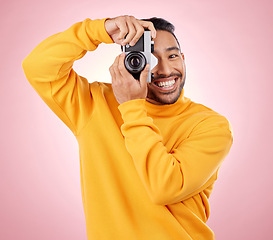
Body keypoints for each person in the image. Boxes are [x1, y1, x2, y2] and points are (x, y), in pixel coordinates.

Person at [22, 15, 233, 240]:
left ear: (182, 58)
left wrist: (131, 107)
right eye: (149, 59)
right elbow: (36, 67)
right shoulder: (95, 103)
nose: (164, 69)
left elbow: (164, 187)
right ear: (130, 61)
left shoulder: (211, 125)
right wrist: (98, 30)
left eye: (172, 56)